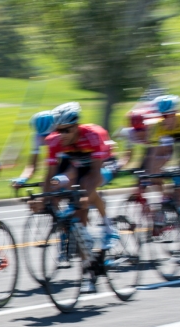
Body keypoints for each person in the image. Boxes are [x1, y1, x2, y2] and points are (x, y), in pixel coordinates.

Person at [44, 102, 116, 292]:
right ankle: (89, 271)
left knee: (86, 189)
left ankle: (109, 225)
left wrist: (85, 196)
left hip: (104, 164)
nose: (61, 135)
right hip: (79, 165)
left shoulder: (94, 134)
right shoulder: (55, 140)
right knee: (78, 218)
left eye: (66, 130)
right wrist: (45, 198)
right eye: (58, 130)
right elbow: (50, 174)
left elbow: (95, 174)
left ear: (76, 126)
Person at [147, 95, 180, 214]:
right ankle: (168, 199)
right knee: (156, 172)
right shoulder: (160, 126)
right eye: (161, 115)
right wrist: (152, 173)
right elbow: (159, 152)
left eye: (167, 115)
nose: (164, 119)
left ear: (175, 113)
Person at [12, 110, 56, 187]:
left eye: (46, 135)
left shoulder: (60, 136)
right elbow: (33, 165)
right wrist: (22, 179)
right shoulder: (36, 137)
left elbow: (57, 163)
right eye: (41, 135)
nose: (43, 138)